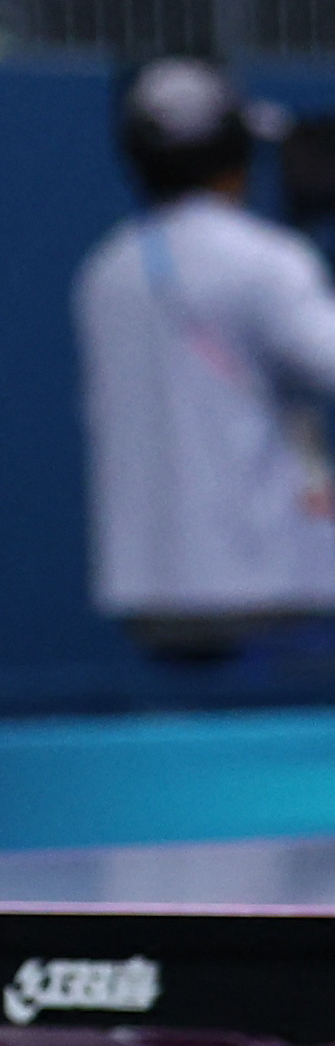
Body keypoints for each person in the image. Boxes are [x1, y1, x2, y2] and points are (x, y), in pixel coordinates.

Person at [75, 57, 335, 663]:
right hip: (268, 591)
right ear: (236, 156)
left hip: (145, 598)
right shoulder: (269, 263)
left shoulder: (104, 272)